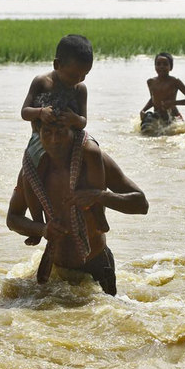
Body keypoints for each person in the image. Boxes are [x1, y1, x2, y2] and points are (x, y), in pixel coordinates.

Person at [7, 119, 148, 296]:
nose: (54, 140)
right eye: (47, 133)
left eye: (60, 133)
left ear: (74, 133)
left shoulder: (95, 162)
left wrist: (100, 196)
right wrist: (42, 229)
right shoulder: (33, 171)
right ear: (39, 135)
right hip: (56, 269)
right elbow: (12, 218)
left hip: (95, 264)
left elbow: (141, 204)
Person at [19, 34, 109, 245]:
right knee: (29, 174)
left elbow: (83, 121)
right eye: (74, 75)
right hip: (42, 138)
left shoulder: (80, 89)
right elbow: (24, 112)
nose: (79, 79)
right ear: (57, 64)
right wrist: (40, 112)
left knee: (95, 153)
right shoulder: (42, 82)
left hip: (72, 135)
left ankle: (98, 209)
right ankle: (37, 223)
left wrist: (73, 119)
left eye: (85, 74)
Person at [139, 52, 185, 131]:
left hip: (172, 116)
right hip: (158, 116)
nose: (161, 66)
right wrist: (143, 110)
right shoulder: (150, 82)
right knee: (146, 131)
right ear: (155, 67)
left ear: (171, 67)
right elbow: (153, 98)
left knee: (177, 134)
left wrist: (172, 102)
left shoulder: (175, 81)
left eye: (165, 64)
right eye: (158, 64)